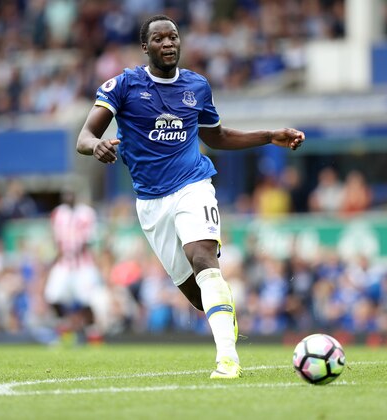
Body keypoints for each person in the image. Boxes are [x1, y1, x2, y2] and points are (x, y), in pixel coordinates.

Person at [76, 14, 305, 378]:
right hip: (151, 203)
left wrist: (267, 135)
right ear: (145, 47)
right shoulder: (123, 85)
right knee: (198, 296)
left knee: (203, 259)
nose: (168, 44)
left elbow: (216, 136)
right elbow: (84, 136)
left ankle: (228, 360)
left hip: (193, 185)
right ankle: (225, 321)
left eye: (173, 37)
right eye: (159, 39)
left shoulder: (197, 86)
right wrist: (97, 145)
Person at [43, 188, 106, 343]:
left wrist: (77, 251)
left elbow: (90, 238)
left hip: (82, 264)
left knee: (87, 300)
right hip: (64, 262)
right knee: (52, 295)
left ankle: (93, 333)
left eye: (71, 194)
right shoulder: (58, 213)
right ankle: (64, 327)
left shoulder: (86, 213)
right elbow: (55, 237)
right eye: (66, 194)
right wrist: (55, 258)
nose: (68, 197)